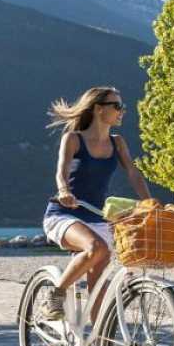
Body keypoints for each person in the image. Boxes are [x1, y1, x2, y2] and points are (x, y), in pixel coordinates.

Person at [39, 86, 151, 321]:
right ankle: (57, 294)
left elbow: (133, 173)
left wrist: (149, 203)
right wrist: (63, 191)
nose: (122, 111)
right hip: (64, 213)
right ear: (99, 109)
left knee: (98, 286)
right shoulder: (73, 139)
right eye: (117, 106)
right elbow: (61, 171)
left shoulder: (117, 142)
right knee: (97, 248)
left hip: (96, 217)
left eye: (123, 107)